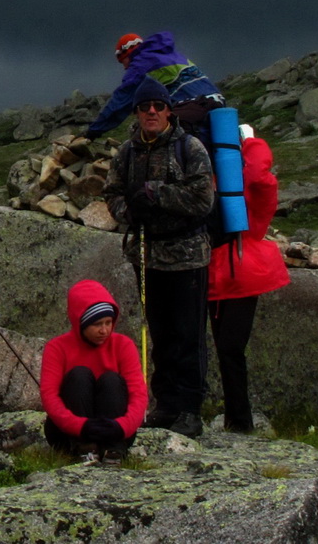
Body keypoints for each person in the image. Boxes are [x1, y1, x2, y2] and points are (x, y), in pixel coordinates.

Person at [104, 75, 214, 439]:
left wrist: (158, 195)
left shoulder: (190, 148)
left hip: (187, 256)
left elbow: (203, 198)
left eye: (158, 106)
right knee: (161, 333)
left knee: (189, 335)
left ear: (169, 110)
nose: (151, 112)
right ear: (136, 112)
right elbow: (112, 194)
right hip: (147, 256)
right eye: (144, 107)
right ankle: (164, 406)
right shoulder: (126, 152)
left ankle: (190, 409)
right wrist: (130, 210)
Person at [208, 126, 290, 433]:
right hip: (215, 274)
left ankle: (240, 421)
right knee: (224, 349)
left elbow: (257, 173)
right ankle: (235, 418)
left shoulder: (255, 187)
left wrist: (251, 141)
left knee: (230, 348)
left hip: (243, 273)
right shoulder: (218, 180)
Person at [40, 279, 148, 462]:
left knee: (111, 380)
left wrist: (121, 426)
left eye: (108, 322)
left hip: (116, 430)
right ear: (80, 322)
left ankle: (113, 450)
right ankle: (83, 447)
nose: (104, 330)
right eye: (97, 324)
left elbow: (139, 394)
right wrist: (81, 426)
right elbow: (49, 396)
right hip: (69, 432)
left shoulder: (123, 345)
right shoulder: (57, 348)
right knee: (78, 375)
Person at [84, 32, 224, 142]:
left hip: (193, 108)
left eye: (123, 61)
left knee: (147, 136)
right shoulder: (169, 54)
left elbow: (119, 103)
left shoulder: (140, 64)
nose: (125, 67)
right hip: (218, 104)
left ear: (128, 52)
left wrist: (93, 132)